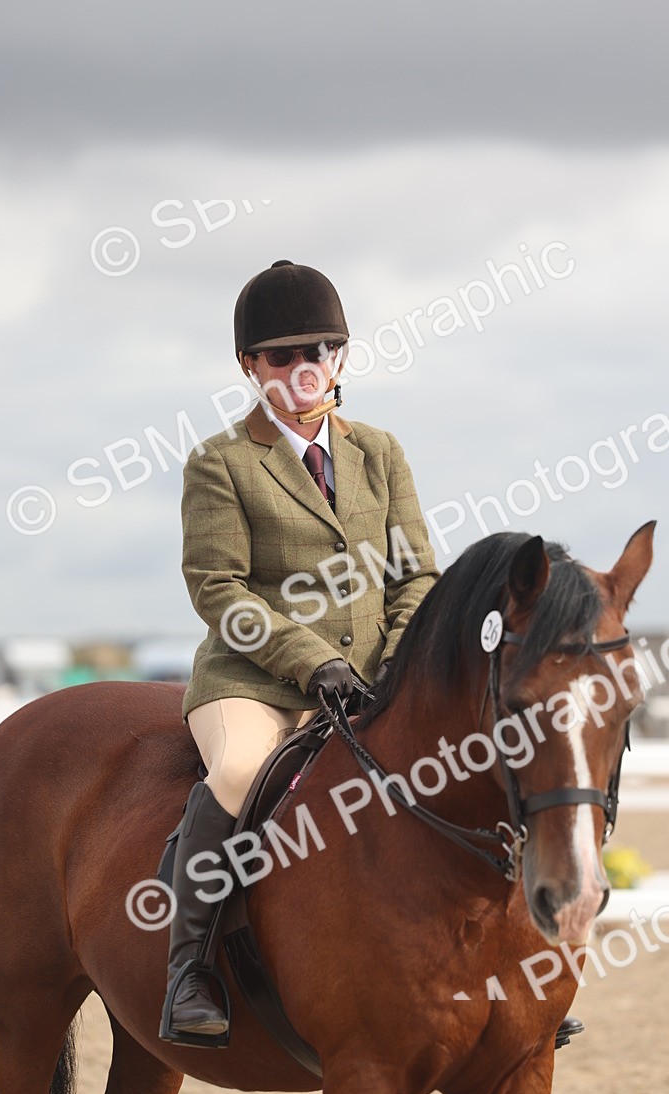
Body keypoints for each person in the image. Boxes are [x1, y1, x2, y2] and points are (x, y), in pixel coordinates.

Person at [161, 259, 441, 1044]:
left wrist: (396, 659)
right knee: (243, 772)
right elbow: (220, 591)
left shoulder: (378, 452)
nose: (304, 366)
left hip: (373, 676)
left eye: (320, 348)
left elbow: (415, 571)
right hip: (253, 680)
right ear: (250, 367)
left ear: (341, 358)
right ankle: (191, 968)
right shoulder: (220, 463)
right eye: (282, 355)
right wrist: (312, 661)